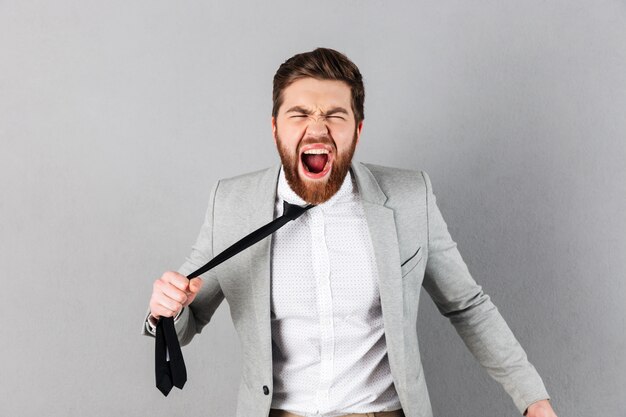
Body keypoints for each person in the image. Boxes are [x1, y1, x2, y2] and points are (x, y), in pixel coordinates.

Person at [142, 48, 557, 417]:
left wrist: (532, 398)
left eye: (335, 115)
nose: (317, 128)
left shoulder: (410, 197)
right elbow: (187, 319)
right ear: (275, 129)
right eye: (300, 114)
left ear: (357, 130)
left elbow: (467, 305)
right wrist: (167, 311)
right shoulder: (231, 204)